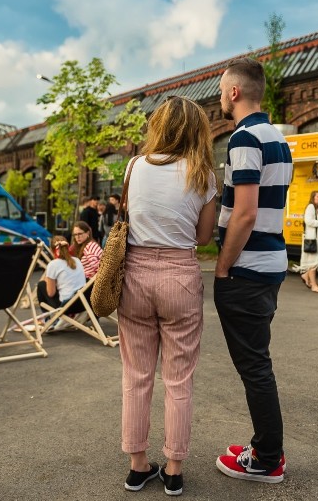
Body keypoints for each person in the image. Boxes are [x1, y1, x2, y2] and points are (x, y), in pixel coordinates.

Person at [118, 95, 216, 496]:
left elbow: (127, 216)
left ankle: (137, 465)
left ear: (157, 126)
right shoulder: (203, 174)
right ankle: (174, 468)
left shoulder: (134, 166)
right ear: (196, 130)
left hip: (136, 275)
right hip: (179, 274)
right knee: (179, 378)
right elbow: (204, 237)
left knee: (136, 375)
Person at [214, 57, 292, 484]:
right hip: (271, 262)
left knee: (255, 367)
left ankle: (267, 458)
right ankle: (265, 448)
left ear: (234, 92)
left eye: (222, 89)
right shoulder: (276, 137)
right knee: (258, 363)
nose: (220, 96)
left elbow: (244, 214)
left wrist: (223, 267)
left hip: (246, 268)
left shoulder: (244, 138)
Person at [36, 235, 86, 331]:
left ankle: (49, 320)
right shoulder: (77, 261)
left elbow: (50, 293)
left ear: (51, 249)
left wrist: (48, 278)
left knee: (41, 285)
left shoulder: (53, 264)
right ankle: (57, 319)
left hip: (67, 306)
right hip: (82, 304)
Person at [298, 190, 318, 293]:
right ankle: (314, 285)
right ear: (313, 197)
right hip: (313, 238)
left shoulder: (317, 209)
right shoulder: (310, 207)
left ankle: (305, 275)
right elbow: (308, 221)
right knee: (313, 263)